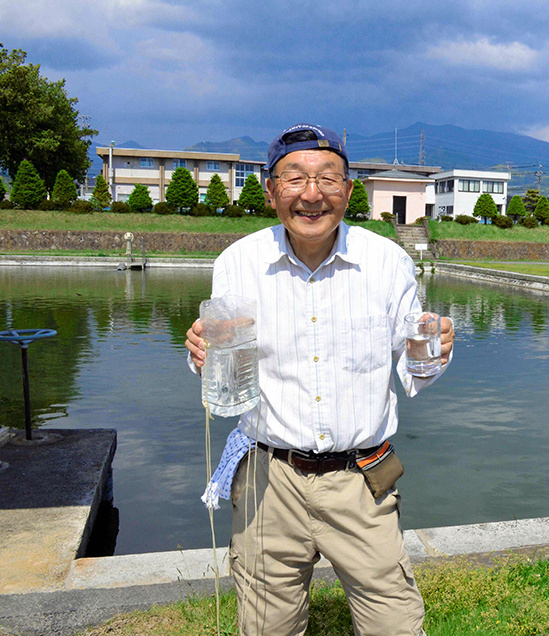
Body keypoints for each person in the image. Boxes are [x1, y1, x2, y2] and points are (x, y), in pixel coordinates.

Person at [185, 123, 454, 636]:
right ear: (271, 191)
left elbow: (413, 366)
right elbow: (223, 364)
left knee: (394, 624)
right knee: (267, 627)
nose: (312, 194)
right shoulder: (238, 263)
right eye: (295, 179)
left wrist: (433, 348)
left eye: (328, 179)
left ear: (348, 192)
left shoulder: (388, 262)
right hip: (269, 478)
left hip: (361, 478)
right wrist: (201, 351)